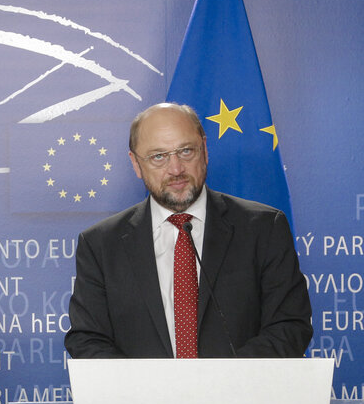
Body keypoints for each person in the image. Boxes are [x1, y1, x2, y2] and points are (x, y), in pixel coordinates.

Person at [64, 102, 312, 358]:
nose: (175, 169)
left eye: (185, 151)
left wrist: (221, 384)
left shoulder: (263, 229)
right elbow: (88, 339)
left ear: (204, 150)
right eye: (158, 156)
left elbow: (289, 326)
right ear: (136, 164)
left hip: (238, 395)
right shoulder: (101, 245)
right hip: (143, 397)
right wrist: (145, 391)